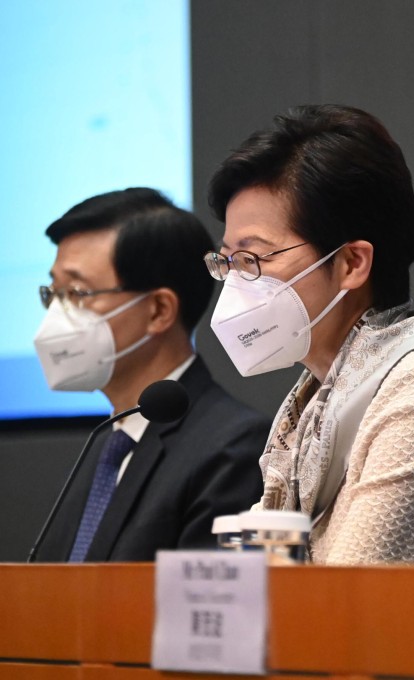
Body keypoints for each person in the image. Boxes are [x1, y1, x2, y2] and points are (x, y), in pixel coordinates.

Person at [205, 104, 414, 565]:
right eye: (228, 261)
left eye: (254, 259)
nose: (238, 282)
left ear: (351, 264)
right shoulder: (317, 402)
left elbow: (348, 605)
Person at [32, 188, 270, 562]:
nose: (56, 316)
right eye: (53, 293)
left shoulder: (233, 447)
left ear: (159, 310)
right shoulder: (107, 442)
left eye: (77, 293)